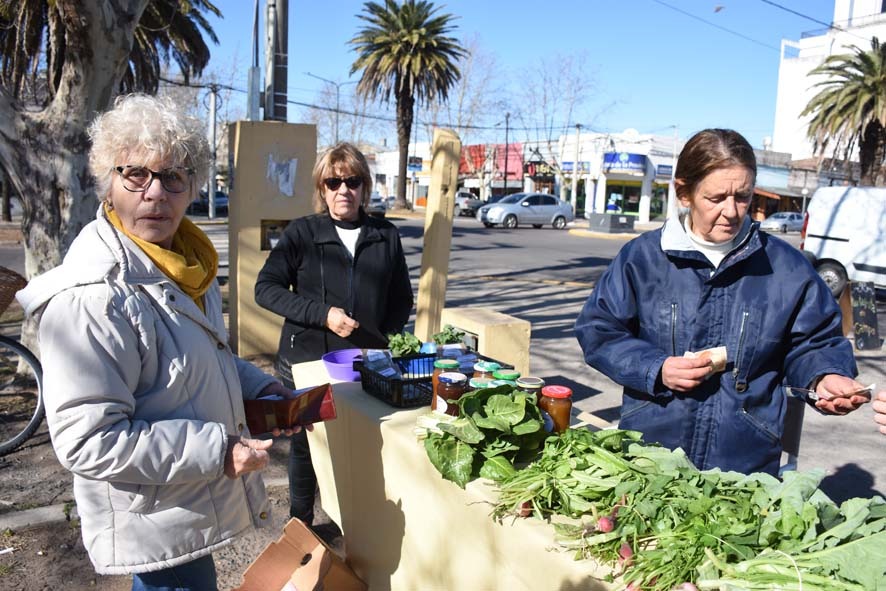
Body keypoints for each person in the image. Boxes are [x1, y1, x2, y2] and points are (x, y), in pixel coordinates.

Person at [16, 94, 301, 590]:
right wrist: (218, 450)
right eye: (136, 174)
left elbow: (204, 359)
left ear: (192, 187)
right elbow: (88, 440)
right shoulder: (94, 298)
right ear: (110, 181)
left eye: (173, 177)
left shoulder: (190, 266)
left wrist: (259, 390)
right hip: (153, 517)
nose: (155, 193)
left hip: (183, 508)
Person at [574, 128, 870, 476]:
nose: (732, 211)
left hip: (745, 464)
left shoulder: (787, 268)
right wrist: (656, 368)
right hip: (649, 454)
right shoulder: (642, 258)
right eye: (716, 198)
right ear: (684, 193)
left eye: (742, 197)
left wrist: (825, 376)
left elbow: (814, 342)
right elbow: (600, 330)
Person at [254, 142, 414, 531]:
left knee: (364, 443)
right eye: (333, 182)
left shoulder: (385, 235)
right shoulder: (303, 233)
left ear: (365, 187)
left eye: (352, 181)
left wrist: (380, 340)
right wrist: (323, 315)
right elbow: (266, 288)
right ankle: (301, 525)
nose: (344, 190)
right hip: (307, 361)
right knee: (307, 447)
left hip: (363, 364)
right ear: (322, 188)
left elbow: (402, 298)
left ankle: (357, 526)